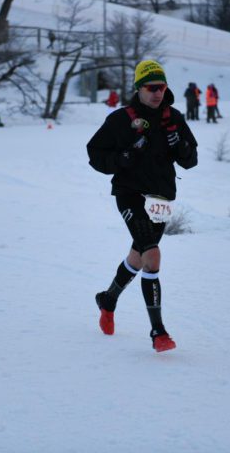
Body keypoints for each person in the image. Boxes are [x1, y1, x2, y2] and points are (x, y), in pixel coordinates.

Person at [87, 60, 198, 353]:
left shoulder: (173, 118)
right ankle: (158, 332)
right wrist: (119, 160)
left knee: (140, 255)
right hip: (129, 194)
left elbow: (191, 160)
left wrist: (182, 147)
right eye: (151, 87)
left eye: (161, 87)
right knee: (152, 253)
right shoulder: (121, 119)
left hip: (160, 199)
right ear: (139, 88)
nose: (157, 93)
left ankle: (108, 299)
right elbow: (94, 152)